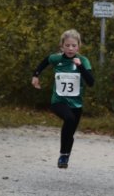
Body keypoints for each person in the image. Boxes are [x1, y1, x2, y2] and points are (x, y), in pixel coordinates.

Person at [30, 29, 95, 170]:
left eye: (73, 45)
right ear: (62, 46)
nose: (70, 48)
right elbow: (45, 62)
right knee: (69, 119)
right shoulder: (57, 59)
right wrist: (35, 75)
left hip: (76, 104)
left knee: (70, 131)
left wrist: (80, 66)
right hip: (58, 101)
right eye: (67, 45)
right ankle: (63, 154)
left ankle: (65, 156)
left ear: (78, 46)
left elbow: (91, 82)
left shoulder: (83, 61)